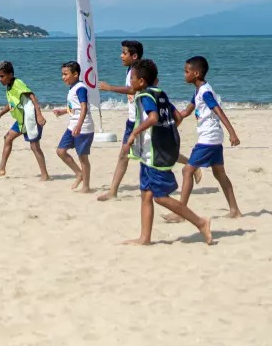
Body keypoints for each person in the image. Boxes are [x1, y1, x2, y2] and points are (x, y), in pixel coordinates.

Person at [123, 60, 213, 245]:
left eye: (132, 78)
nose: (130, 81)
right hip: (153, 152)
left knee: (160, 197)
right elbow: (177, 117)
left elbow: (154, 118)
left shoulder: (146, 96)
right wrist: (167, 131)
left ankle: (200, 222)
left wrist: (134, 133)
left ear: (141, 81)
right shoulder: (160, 93)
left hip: (156, 153)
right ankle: (145, 238)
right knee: (146, 194)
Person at [164, 56, 242, 223]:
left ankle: (180, 212)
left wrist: (232, 133)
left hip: (209, 138)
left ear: (196, 73)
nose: (184, 74)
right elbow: (185, 113)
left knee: (187, 170)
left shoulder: (205, 92)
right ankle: (234, 210)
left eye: (186, 71)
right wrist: (169, 117)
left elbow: (218, 110)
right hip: (213, 137)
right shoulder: (198, 90)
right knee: (220, 173)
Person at [97, 40, 144, 201]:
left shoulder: (137, 71)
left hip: (140, 121)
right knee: (124, 155)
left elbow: (133, 89)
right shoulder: (131, 69)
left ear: (134, 55)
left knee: (155, 151)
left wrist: (110, 88)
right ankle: (113, 191)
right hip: (132, 120)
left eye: (124, 53)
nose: (121, 56)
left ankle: (190, 165)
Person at [0, 61, 49, 180]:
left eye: (2, 76)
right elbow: (11, 104)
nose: (0, 79)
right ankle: (1, 168)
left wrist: (39, 115)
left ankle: (45, 175)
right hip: (21, 120)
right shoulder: (9, 87)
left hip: (31, 119)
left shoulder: (17, 83)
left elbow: (32, 97)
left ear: (10, 74)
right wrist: (0, 114)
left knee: (34, 146)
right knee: (7, 138)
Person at [53, 61, 94, 192]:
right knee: (60, 151)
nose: (63, 77)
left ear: (75, 74)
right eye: (62, 74)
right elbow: (74, 107)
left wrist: (79, 125)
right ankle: (78, 173)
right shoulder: (72, 87)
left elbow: (84, 107)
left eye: (66, 74)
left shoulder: (81, 88)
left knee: (83, 157)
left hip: (84, 127)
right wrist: (63, 111)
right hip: (73, 126)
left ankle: (86, 186)